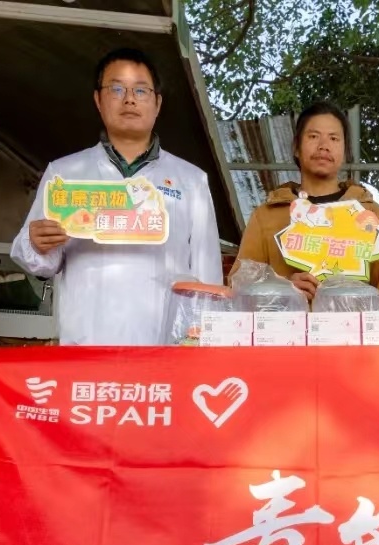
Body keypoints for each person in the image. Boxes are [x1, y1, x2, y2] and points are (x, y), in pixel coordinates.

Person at [11, 47, 222, 345]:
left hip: (166, 346)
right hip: (86, 343)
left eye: (141, 90)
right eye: (117, 89)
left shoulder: (191, 180)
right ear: (98, 100)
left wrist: (204, 340)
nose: (129, 99)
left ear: (158, 103)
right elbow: (41, 263)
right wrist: (36, 243)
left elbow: (208, 275)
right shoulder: (65, 175)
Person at [234, 101, 379, 305]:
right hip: (285, 325)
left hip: (353, 325)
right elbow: (238, 286)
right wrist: (283, 289)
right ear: (296, 147)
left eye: (334, 138)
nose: (324, 146)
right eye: (313, 136)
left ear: (345, 151)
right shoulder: (266, 216)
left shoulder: (370, 214)